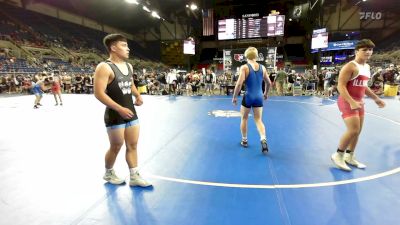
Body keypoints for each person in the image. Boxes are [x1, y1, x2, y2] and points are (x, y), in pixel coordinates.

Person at [94, 33, 151, 187]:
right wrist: (119, 109)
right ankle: (109, 172)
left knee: (132, 145)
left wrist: (138, 95)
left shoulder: (128, 66)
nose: (128, 48)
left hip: (131, 112)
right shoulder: (104, 67)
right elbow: (98, 93)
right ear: (113, 47)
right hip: (114, 114)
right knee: (116, 146)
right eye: (124, 45)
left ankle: (134, 176)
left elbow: (130, 83)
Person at [331, 39, 385, 171]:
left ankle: (349, 156)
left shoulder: (366, 67)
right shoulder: (350, 66)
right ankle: (338, 155)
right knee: (353, 130)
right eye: (364, 50)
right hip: (347, 100)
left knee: (358, 131)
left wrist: (376, 98)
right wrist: (351, 102)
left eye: (370, 50)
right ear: (357, 51)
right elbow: (340, 86)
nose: (368, 52)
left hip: (359, 102)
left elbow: (364, 87)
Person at [232, 47, 271, 153]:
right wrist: (266, 93)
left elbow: (239, 83)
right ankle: (263, 139)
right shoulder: (262, 68)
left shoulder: (244, 67)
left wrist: (235, 96)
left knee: (244, 118)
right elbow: (269, 83)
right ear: (256, 56)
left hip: (248, 96)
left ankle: (244, 141)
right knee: (258, 120)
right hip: (259, 97)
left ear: (246, 56)